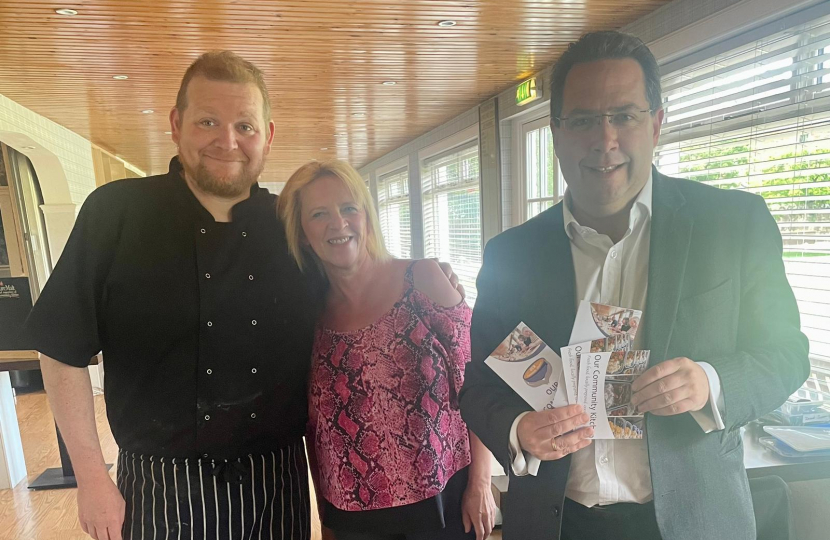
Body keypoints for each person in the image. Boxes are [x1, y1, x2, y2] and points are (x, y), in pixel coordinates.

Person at [459, 31, 810, 540]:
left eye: (624, 115)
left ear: (657, 123)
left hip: (694, 522)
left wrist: (711, 382)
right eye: (582, 120)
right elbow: (479, 384)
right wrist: (518, 428)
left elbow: (786, 353)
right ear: (556, 132)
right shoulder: (510, 254)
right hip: (558, 524)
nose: (604, 140)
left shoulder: (732, 224)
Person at [278, 160, 496, 540]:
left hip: (442, 501)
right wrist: (326, 520)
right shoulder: (306, 318)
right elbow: (317, 432)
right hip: (353, 518)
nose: (338, 224)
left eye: (349, 208)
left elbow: (479, 379)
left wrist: (481, 482)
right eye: (319, 214)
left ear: (367, 215)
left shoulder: (423, 279)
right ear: (302, 232)